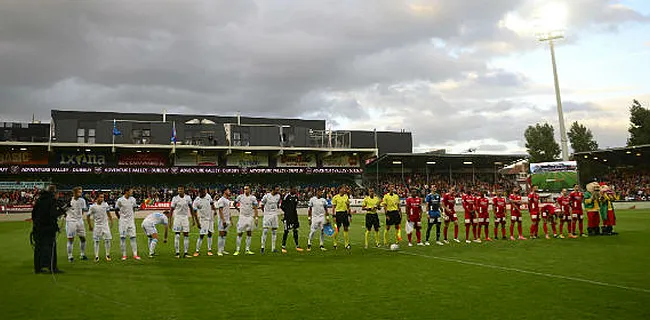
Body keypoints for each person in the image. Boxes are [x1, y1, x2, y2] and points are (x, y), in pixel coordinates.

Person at [31, 185, 66, 274]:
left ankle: (38, 268)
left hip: (38, 228)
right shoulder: (51, 201)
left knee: (38, 248)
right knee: (51, 248)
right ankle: (52, 267)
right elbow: (52, 215)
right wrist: (62, 211)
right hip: (48, 229)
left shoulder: (39, 200)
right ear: (54, 193)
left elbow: (34, 214)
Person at [171, 185, 198, 258]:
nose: (180, 190)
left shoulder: (188, 198)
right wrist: (170, 220)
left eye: (181, 189)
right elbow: (171, 210)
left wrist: (193, 219)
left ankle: (186, 253)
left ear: (184, 190)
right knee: (177, 235)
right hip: (177, 218)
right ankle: (177, 253)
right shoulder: (175, 198)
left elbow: (191, 208)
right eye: (179, 189)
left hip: (185, 218)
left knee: (186, 235)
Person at [115, 187, 141, 260]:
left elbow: (134, 208)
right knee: (123, 238)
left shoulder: (133, 199)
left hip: (131, 221)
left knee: (133, 237)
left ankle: (135, 255)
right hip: (123, 222)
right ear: (126, 191)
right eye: (130, 191)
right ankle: (124, 255)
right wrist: (120, 218)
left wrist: (131, 216)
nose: (132, 192)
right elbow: (116, 210)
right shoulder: (120, 200)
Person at [86, 193, 113, 262]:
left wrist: (111, 220)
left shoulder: (105, 204)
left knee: (107, 240)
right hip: (97, 226)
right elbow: (88, 216)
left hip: (105, 225)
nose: (102, 199)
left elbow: (108, 212)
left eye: (103, 197)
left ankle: (107, 254)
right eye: (101, 197)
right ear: (97, 198)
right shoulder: (92, 206)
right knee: (96, 241)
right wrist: (90, 225)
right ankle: (96, 256)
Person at [66, 186, 88, 262]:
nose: (81, 193)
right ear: (75, 192)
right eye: (79, 192)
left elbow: (82, 210)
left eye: (81, 192)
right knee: (71, 239)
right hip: (71, 221)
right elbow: (64, 209)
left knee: (83, 238)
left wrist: (80, 218)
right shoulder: (68, 200)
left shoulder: (82, 200)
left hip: (80, 221)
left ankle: (82, 254)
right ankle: (70, 256)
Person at [234, 186, 259, 255]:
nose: (245, 190)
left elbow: (255, 208)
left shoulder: (253, 198)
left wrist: (256, 218)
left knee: (249, 233)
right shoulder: (240, 197)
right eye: (244, 189)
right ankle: (237, 250)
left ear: (250, 190)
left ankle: (247, 249)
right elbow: (234, 203)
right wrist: (238, 209)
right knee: (239, 233)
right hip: (242, 217)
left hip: (250, 217)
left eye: (247, 189)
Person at [193, 188, 215, 256]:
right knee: (201, 235)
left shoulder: (208, 196)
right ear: (200, 192)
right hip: (203, 220)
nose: (206, 193)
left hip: (210, 219)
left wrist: (214, 210)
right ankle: (197, 251)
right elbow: (195, 213)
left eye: (206, 191)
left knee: (210, 234)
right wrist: (197, 223)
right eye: (204, 192)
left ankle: (209, 250)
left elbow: (211, 203)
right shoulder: (196, 201)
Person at [260, 186, 281, 254]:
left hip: (274, 215)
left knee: (274, 231)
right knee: (265, 230)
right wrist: (265, 213)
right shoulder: (266, 196)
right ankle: (262, 247)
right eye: (277, 190)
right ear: (273, 190)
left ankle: (273, 248)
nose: (278, 191)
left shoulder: (278, 196)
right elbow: (262, 205)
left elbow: (277, 204)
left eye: (278, 190)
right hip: (267, 215)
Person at [215, 188, 233, 256]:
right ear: (225, 191)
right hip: (222, 220)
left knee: (225, 235)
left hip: (227, 219)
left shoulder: (227, 200)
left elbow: (228, 210)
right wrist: (223, 220)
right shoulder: (221, 200)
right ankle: (219, 251)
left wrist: (230, 219)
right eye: (228, 190)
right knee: (221, 234)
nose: (229, 191)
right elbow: (220, 211)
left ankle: (222, 250)